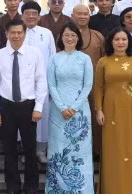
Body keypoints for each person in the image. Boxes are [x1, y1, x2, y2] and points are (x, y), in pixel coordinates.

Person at [93, 27, 132, 194]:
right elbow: (98, 87)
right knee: (113, 149)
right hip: (110, 110)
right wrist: (99, 110)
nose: (120, 42)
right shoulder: (103, 62)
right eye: (117, 39)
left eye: (124, 39)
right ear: (111, 42)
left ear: (129, 42)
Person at [0, 18, 48, 194]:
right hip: (6, 106)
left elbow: (41, 81)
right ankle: (13, 186)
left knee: (30, 149)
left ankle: (31, 186)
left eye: (19, 32)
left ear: (24, 34)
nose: (16, 36)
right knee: (9, 150)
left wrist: (38, 107)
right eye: (13, 32)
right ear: (6, 34)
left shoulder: (35, 53)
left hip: (28, 107)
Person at [45, 23, 94, 194]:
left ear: (78, 38)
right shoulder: (54, 58)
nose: (70, 38)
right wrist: (62, 107)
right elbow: (51, 85)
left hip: (80, 112)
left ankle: (82, 190)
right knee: (58, 150)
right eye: (66, 35)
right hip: (58, 112)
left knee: (80, 152)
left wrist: (73, 108)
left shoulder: (85, 59)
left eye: (73, 35)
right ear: (61, 37)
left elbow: (88, 85)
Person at [20, 0, 55, 163]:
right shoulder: (17, 32)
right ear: (22, 16)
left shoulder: (46, 33)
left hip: (43, 82)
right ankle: (26, 151)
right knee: (25, 118)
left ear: (39, 16)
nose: (31, 16)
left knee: (43, 116)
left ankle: (41, 151)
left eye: (35, 13)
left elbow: (53, 57)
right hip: (22, 84)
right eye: (28, 13)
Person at [69, 4, 104, 157]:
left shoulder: (98, 36)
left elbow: (104, 61)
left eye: (86, 14)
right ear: (72, 16)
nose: (83, 16)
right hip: (72, 86)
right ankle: (76, 153)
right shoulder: (66, 36)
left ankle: (97, 150)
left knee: (96, 118)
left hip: (94, 85)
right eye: (79, 14)